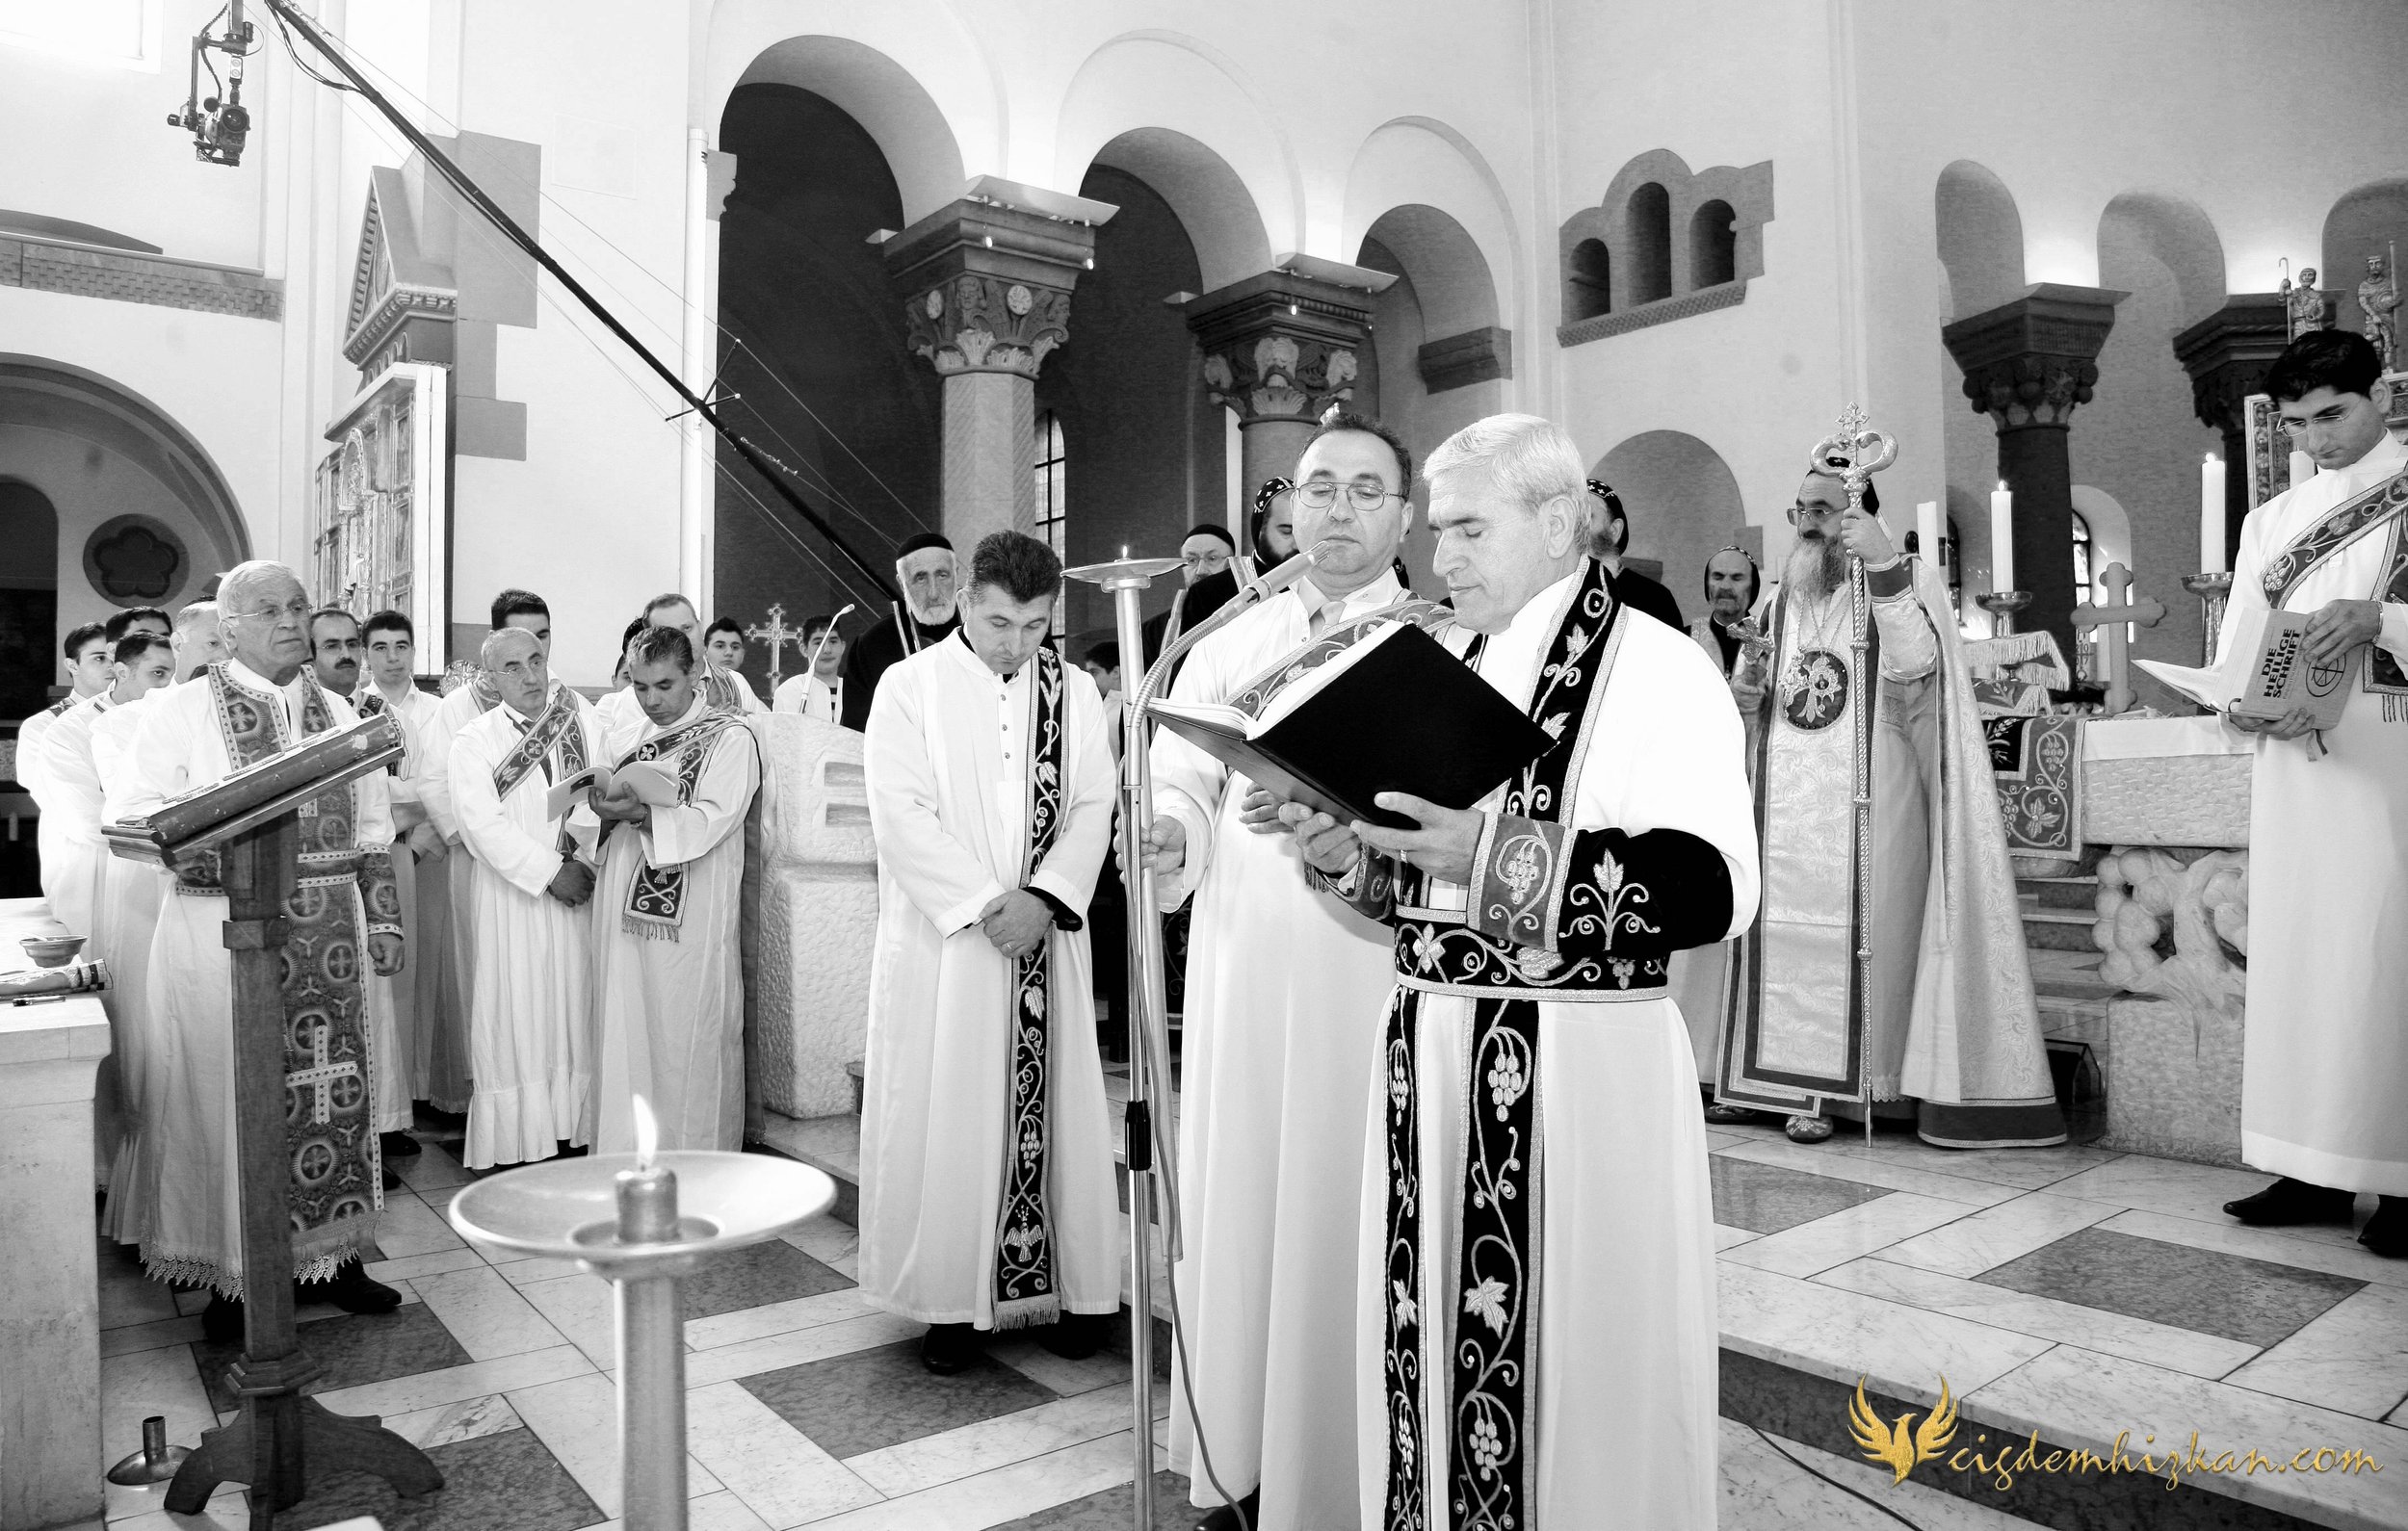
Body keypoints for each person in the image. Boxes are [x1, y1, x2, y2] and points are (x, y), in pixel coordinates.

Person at [1273, 414, 1758, 1530]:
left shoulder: (1657, 666)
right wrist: (1348, 861)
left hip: (1577, 1087)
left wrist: (1492, 856)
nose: (1442, 559)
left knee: (1578, 1369)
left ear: (1557, 522)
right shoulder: (1441, 664)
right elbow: (1412, 893)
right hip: (1430, 1067)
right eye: (1438, 531)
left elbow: (1714, 889)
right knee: (1427, 1345)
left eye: (1468, 529)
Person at [1139, 411, 1449, 1531]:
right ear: (1285, 510)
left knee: (1344, 1196)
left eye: (1366, 491)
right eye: (1319, 490)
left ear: (1403, 516)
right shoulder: (1232, 638)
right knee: (1242, 1189)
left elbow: (1440, 813)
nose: (1337, 511)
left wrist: (1341, 818)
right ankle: (1241, 1456)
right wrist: (1174, 828)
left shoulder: (1437, 647)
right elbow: (1180, 772)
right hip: (1239, 957)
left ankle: (1346, 1461)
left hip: (1360, 970)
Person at [1714, 464, 2064, 1148]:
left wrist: (1882, 568)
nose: (1808, 520)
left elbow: (1916, 666)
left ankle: (1848, 1090)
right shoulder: (1779, 598)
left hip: (1876, 789)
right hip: (1784, 795)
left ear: (1860, 513)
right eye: (1800, 508)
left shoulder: (1904, 578)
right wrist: (1746, 696)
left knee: (1869, 934)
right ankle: (1773, 1084)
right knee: (1780, 932)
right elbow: (1751, 685)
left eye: (1824, 508)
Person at [116, 560, 405, 1339]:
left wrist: (384, 922)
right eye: (269, 609)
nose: (289, 620)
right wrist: (232, 860)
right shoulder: (180, 712)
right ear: (229, 625)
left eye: (298, 606)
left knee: (333, 1090)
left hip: (331, 942)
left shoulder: (344, 713)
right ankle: (232, 1277)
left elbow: (375, 830)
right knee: (229, 1099)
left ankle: (338, 1256)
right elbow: (138, 820)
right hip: (224, 938)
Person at [860, 532, 1119, 1375]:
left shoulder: (1074, 689)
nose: (1016, 643)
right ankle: (949, 1305)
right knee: (949, 1109)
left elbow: (1092, 801)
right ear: (967, 602)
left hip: (1045, 933)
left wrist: (1043, 899)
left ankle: (1071, 1292)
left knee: (1063, 1108)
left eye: (1036, 625)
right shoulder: (910, 686)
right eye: (1001, 621)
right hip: (952, 948)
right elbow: (898, 812)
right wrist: (984, 906)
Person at [2205, 332, 2408, 1257]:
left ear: (2380, 394)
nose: (2318, 438)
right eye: (2297, 423)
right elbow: (2242, 647)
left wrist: (2386, 618)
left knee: (2387, 960)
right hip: (2296, 771)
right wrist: (2239, 708)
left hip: (2390, 768)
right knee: (2305, 960)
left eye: (2334, 413)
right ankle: (2315, 1164)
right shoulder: (2270, 522)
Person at [589, 625, 761, 1153]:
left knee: (684, 1032)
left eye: (664, 685)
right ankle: (624, 1151)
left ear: (695, 675)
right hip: (624, 902)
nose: (652, 700)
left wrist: (642, 813)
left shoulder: (730, 738)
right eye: (640, 687)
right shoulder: (633, 736)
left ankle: (695, 1160)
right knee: (627, 1024)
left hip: (693, 917)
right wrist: (600, 810)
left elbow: (715, 819)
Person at [448, 627, 603, 1170]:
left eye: (536, 660)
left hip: (578, 892)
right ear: (490, 680)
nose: (530, 675)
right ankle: (520, 1136)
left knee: (574, 1003)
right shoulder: (474, 740)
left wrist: (582, 860)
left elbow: (597, 794)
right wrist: (547, 872)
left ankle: (572, 1126)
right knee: (516, 1006)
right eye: (512, 667)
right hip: (512, 897)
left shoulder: (581, 722)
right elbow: (480, 826)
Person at [37, 633, 175, 1185]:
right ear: (121, 672)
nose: (169, 685)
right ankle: (111, 1163)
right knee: (121, 1021)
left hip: (164, 879)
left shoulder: (168, 720)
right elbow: (94, 820)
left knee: (161, 1023)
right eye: (157, 673)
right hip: (107, 882)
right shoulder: (65, 730)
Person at [418, 588, 558, 1120]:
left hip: (556, 865)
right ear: (494, 640)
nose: (535, 653)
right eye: (523, 638)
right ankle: (492, 1096)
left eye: (543, 639)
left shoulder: (565, 703)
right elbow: (436, 782)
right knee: (487, 976)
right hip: (484, 866)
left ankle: (550, 1093)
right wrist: (480, 841)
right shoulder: (459, 708)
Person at [357, 610, 467, 1129]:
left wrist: (417, 833)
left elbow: (438, 787)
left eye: (401, 646)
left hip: (428, 853)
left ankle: (422, 1085)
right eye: (380, 648)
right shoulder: (352, 709)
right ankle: (389, 1097)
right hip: (380, 856)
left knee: (427, 972)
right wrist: (404, 802)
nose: (392, 657)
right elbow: (379, 797)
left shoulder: (440, 711)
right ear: (366, 654)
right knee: (389, 979)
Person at [1677, 545, 1770, 1097]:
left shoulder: (1772, 639)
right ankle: (1704, 1052)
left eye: (1737, 577)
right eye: (1717, 576)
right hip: (1702, 792)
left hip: (1766, 786)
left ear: (1753, 585)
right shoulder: (1684, 638)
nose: (1726, 586)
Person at [21, 622, 114, 891]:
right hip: (77, 852)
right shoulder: (42, 726)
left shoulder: (134, 716)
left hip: (136, 852)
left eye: (114, 656)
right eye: (98, 658)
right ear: (72, 665)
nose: (110, 665)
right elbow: (57, 799)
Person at [843, 533, 960, 730]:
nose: (933, 592)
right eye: (920, 578)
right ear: (901, 582)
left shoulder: (985, 629)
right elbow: (857, 732)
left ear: (956, 574)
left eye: (942, 575)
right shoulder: (872, 645)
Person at [602, 595, 762, 724]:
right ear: (650, 639)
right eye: (669, 632)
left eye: (687, 628)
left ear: (700, 627)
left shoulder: (735, 682)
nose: (682, 638)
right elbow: (639, 755)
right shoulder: (634, 698)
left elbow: (768, 738)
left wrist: (749, 722)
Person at [1584, 478, 1686, 631]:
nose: (1576, 528)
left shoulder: (1655, 599)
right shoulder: (1557, 592)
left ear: (1614, 531)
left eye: (1587, 517)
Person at [1141, 526, 1243, 668]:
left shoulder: (1251, 614)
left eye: (1212, 559)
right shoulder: (1153, 631)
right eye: (1191, 560)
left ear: (1233, 563)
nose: (1201, 570)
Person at [772, 613, 849, 724]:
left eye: (833, 641)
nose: (827, 650)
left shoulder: (854, 690)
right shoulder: (791, 690)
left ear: (842, 647)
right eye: (818, 643)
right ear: (804, 649)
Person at [308, 607, 365, 700]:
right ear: (310, 653)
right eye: (332, 647)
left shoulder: (389, 713)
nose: (346, 655)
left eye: (352, 645)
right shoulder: (297, 712)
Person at [1248, 478, 1297, 577]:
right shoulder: (1215, 588)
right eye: (1287, 531)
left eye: (1304, 534)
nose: (1297, 545)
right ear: (1260, 529)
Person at [171, 601, 227, 682]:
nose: (227, 658)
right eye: (213, 643)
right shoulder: (150, 693)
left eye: (236, 647)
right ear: (178, 644)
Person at [703, 616, 750, 681]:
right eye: (720, 646)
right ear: (705, 651)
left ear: (743, 654)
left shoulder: (743, 685)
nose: (729, 653)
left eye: (735, 647)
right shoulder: (693, 685)